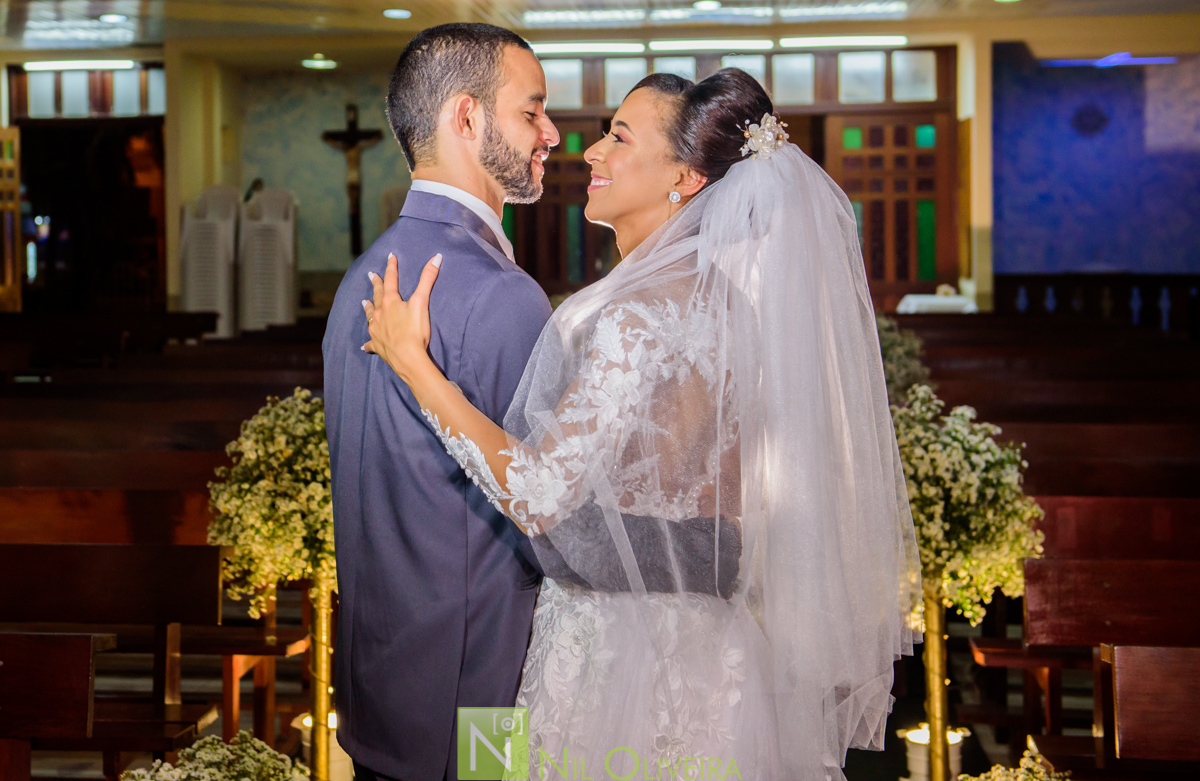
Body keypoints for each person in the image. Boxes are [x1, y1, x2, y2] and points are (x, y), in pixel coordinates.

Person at [363, 68, 921, 780]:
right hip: (719, 648)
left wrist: (414, 363)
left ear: (684, 178)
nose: (591, 152)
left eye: (618, 137)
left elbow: (539, 494)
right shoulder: (730, 309)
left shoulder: (632, 318)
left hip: (616, 654)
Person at [321, 23, 559, 781]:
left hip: (378, 698)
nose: (551, 134)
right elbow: (544, 513)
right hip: (479, 706)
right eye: (532, 111)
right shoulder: (500, 294)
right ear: (466, 117)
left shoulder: (360, 276)